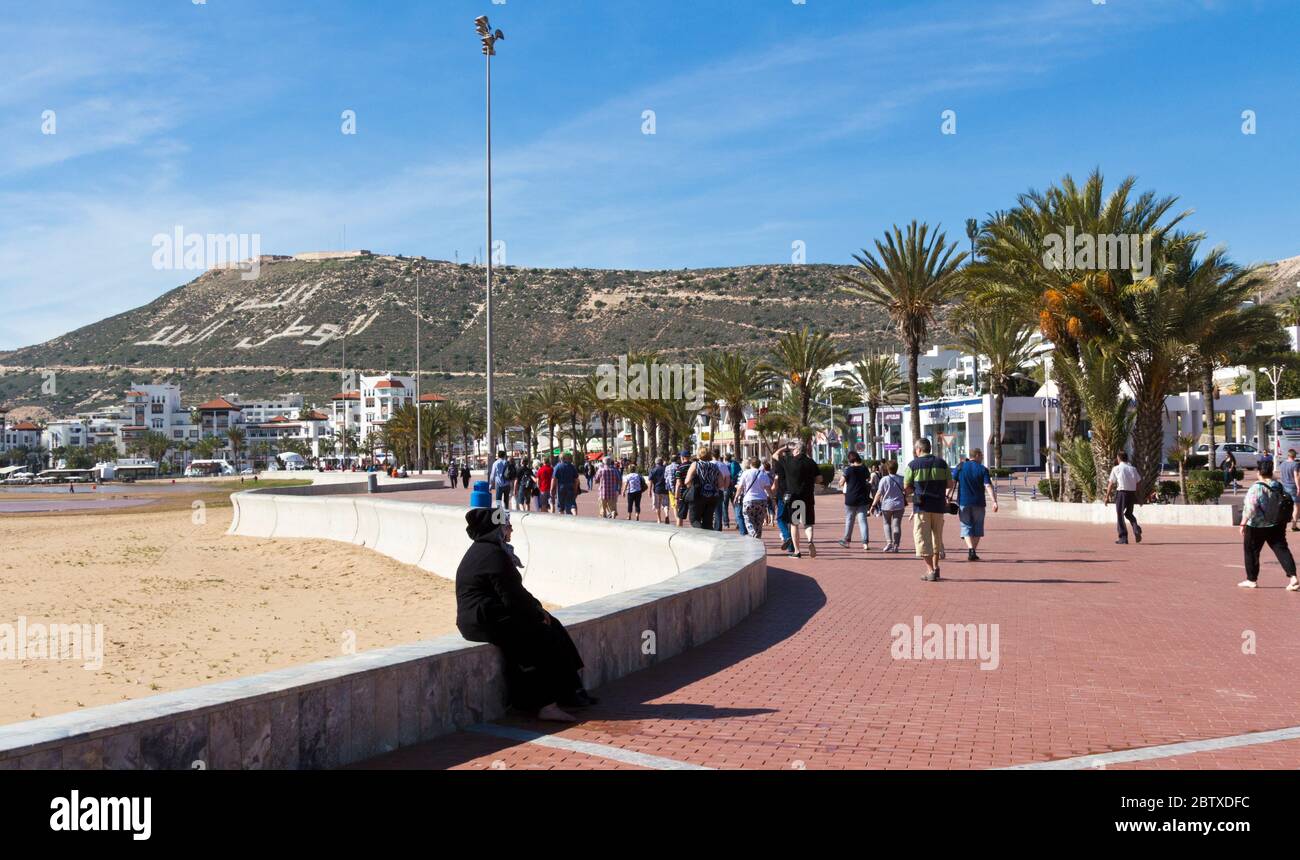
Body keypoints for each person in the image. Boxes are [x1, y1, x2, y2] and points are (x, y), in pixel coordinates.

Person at [455, 505, 597, 722]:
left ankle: (571, 691)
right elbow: (512, 597)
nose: (511, 530)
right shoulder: (492, 554)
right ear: (498, 529)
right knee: (539, 636)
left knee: (553, 624)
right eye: (507, 526)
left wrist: (538, 609)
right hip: (483, 620)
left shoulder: (488, 550)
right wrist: (536, 614)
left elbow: (515, 593)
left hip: (488, 615)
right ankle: (547, 704)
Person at [1238, 458, 1300, 590]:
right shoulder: (1278, 485)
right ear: (1271, 472)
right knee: (1281, 549)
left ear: (1259, 472)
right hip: (1277, 523)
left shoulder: (1256, 488)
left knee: (1251, 551)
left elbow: (1251, 507)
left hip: (1256, 525)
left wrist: (1243, 523)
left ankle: (1251, 580)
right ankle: (1293, 577)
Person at [904, 438, 953, 581]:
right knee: (937, 538)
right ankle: (936, 567)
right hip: (939, 507)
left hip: (922, 507)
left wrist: (913, 490)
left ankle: (930, 570)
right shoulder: (942, 463)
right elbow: (950, 484)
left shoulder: (912, 465)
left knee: (922, 539)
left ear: (919, 449)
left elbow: (906, 489)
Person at [774, 441, 821, 558]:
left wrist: (784, 448)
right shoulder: (811, 462)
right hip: (808, 498)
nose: (792, 451)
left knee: (794, 524)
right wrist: (809, 480)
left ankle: (797, 551)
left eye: (794, 450)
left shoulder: (788, 461)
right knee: (808, 523)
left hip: (794, 498)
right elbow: (820, 479)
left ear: (797, 450)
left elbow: (775, 456)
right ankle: (810, 541)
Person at [950, 448, 998, 561]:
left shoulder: (960, 467)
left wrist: (947, 496)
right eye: (981, 455)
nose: (982, 458)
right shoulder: (982, 469)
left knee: (965, 526)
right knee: (977, 527)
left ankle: (971, 549)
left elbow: (952, 483)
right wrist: (994, 501)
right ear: (976, 455)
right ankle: (972, 551)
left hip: (963, 502)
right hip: (979, 503)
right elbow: (987, 485)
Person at [1104, 452, 1143, 545]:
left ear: (1118, 458)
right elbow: (1138, 483)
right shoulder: (1133, 469)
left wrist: (1107, 497)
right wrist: (1139, 497)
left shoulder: (1116, 468)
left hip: (1122, 494)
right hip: (1131, 494)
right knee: (1129, 514)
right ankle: (1136, 529)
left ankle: (1123, 538)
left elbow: (1111, 483)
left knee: (1120, 515)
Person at [838, 452, 872, 551]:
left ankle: (847, 541)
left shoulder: (848, 470)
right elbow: (868, 478)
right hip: (863, 498)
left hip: (850, 498)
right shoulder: (864, 469)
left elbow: (841, 483)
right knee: (863, 521)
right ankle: (865, 543)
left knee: (849, 520)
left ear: (850, 460)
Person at [871, 459, 906, 553]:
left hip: (887, 505)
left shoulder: (884, 479)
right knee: (897, 525)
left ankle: (889, 542)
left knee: (887, 523)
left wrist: (873, 505)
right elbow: (906, 490)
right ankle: (896, 545)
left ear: (887, 468)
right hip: (899, 504)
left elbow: (879, 493)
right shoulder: (902, 479)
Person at [684, 447, 723, 530]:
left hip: (698, 495)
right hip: (712, 496)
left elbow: (687, 481)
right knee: (708, 523)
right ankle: (710, 539)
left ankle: (701, 535)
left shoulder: (696, 464)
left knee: (694, 520)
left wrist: (691, 486)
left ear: (699, 455)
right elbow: (721, 484)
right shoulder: (714, 466)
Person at [734, 457, 772, 538]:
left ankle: (753, 534)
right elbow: (768, 489)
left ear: (751, 464)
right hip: (761, 500)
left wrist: (736, 496)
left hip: (748, 500)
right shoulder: (763, 474)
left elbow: (740, 487)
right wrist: (772, 498)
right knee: (759, 523)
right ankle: (757, 538)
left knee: (748, 520)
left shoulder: (745, 473)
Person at [711, 448, 732, 531]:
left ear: (712, 455)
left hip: (709, 489)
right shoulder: (723, 465)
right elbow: (728, 478)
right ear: (719, 455)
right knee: (718, 509)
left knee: (709, 509)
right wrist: (725, 488)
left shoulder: (709, 464)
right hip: (720, 489)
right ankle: (718, 528)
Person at [1280, 450, 1300, 531]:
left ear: (1288, 455)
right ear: (1294, 456)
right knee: (1296, 506)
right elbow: (1296, 476)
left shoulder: (1282, 464)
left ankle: (1283, 524)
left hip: (1284, 486)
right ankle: (1294, 525)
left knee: (1286, 506)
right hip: (1293, 487)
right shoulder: (1295, 464)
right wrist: (1298, 487)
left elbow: (1281, 475)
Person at [648, 458, 669, 524]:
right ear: (662, 462)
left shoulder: (653, 470)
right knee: (665, 504)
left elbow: (650, 481)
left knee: (658, 505)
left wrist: (649, 491)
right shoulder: (666, 469)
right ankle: (666, 515)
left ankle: (659, 519)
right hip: (665, 489)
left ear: (655, 463)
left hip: (657, 490)